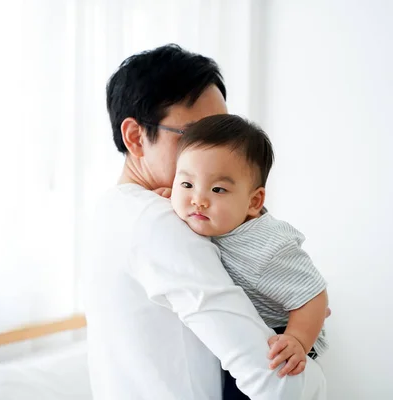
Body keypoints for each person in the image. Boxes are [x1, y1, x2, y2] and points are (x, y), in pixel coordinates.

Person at [84, 44, 326, 399]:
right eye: (194, 134)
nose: (214, 149)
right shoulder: (161, 221)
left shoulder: (108, 211)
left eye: (220, 131)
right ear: (135, 136)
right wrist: (312, 371)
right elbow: (278, 384)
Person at [169, 114, 329, 399]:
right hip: (242, 323)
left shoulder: (267, 247)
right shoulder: (206, 218)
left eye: (218, 189)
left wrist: (297, 339)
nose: (199, 199)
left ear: (254, 202)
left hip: (281, 329)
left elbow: (313, 295)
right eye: (186, 185)